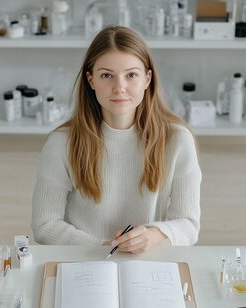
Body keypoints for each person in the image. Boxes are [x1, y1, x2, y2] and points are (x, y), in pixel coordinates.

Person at [32, 26, 201, 253]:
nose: (119, 87)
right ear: (90, 80)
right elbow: (45, 225)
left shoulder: (178, 140)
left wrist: (155, 234)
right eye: (106, 75)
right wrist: (102, 248)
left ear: (147, 79)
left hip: (146, 260)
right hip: (83, 260)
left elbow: (188, 225)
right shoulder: (61, 143)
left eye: (131, 75)